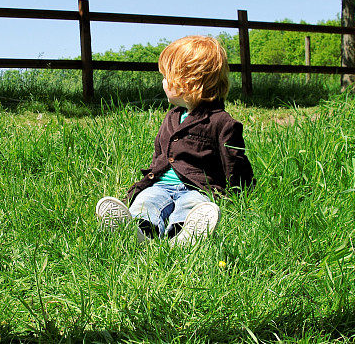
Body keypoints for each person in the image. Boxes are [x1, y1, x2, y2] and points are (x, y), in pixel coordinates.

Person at [96, 35, 254, 246]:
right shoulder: (171, 116)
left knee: (192, 206)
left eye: (166, 76)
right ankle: (139, 232)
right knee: (146, 201)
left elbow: (234, 161)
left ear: (187, 83)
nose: (162, 82)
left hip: (198, 188)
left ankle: (184, 235)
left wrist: (239, 194)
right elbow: (159, 153)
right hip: (160, 185)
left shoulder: (221, 121)